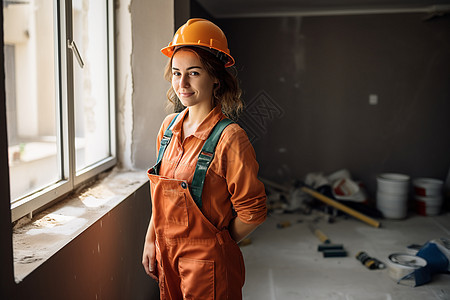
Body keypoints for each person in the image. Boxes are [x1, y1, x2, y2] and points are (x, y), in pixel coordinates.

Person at [142, 18, 267, 299]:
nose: (182, 83)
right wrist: (152, 239)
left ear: (215, 77)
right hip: (167, 257)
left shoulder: (230, 138)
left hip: (207, 266)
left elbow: (253, 212)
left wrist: (214, 244)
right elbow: (160, 197)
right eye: (176, 73)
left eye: (194, 73)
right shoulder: (167, 129)